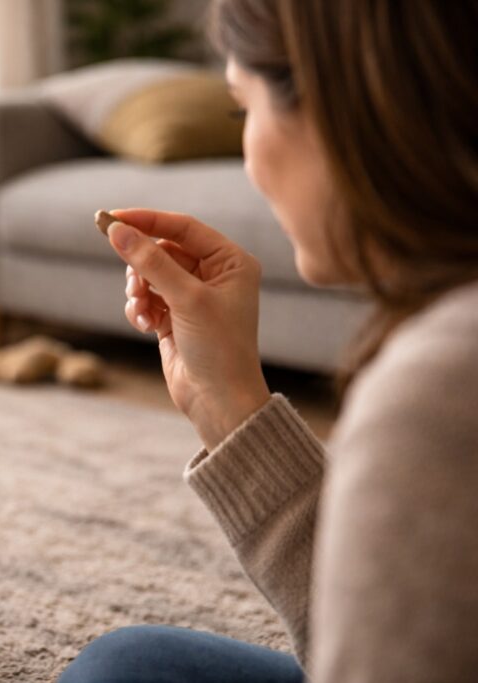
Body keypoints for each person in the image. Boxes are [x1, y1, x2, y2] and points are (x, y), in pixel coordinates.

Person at [58, 1, 478, 681]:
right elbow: (372, 605)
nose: (250, 157)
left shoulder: (440, 398)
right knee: (129, 663)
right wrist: (228, 402)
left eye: (241, 108)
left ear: (350, 111)